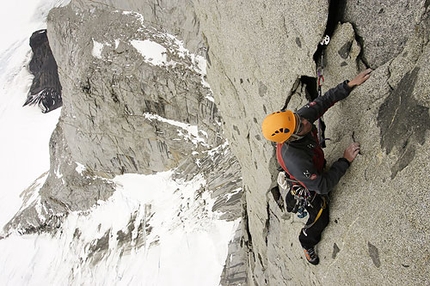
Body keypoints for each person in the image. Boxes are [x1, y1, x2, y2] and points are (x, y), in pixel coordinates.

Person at [261, 68, 372, 265]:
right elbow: (322, 186)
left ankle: (292, 199)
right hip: (307, 180)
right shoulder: (295, 158)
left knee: (305, 181)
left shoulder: (295, 123)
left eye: (299, 117)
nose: (305, 120)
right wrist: (344, 160)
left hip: (306, 171)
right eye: (300, 124)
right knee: (321, 216)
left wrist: (349, 85)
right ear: (291, 137)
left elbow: (322, 103)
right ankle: (306, 242)